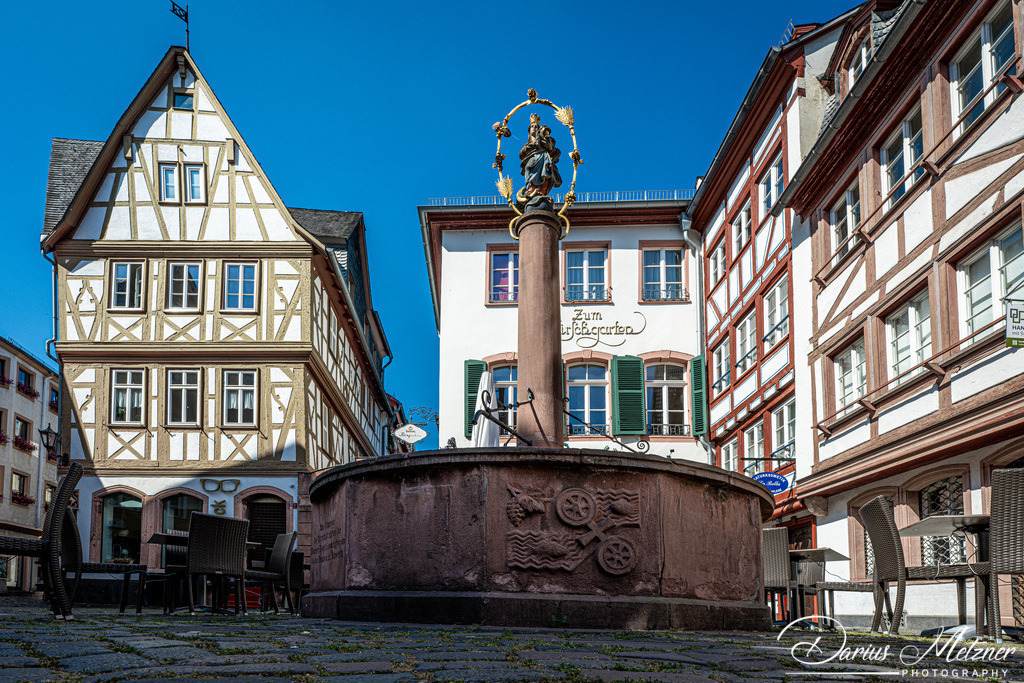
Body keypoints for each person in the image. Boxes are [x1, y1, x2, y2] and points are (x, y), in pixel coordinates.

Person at [519, 113, 562, 209]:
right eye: (532, 127)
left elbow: (554, 150)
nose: (533, 128)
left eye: (535, 127)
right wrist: (530, 146)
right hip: (533, 159)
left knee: (545, 174)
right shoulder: (529, 143)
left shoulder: (546, 140)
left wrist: (544, 142)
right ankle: (530, 190)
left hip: (544, 158)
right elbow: (521, 154)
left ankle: (542, 193)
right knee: (529, 168)